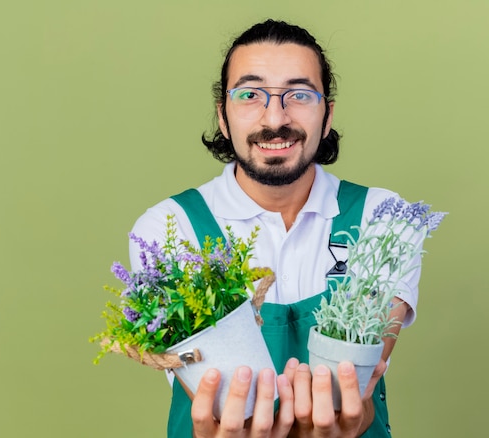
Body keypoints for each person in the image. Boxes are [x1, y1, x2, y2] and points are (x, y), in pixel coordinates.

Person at [129, 19, 420, 437]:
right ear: (223, 117)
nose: (275, 117)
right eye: (249, 94)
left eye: (299, 94)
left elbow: (358, 396)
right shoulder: (168, 227)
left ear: (328, 113)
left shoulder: (386, 218)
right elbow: (213, 401)